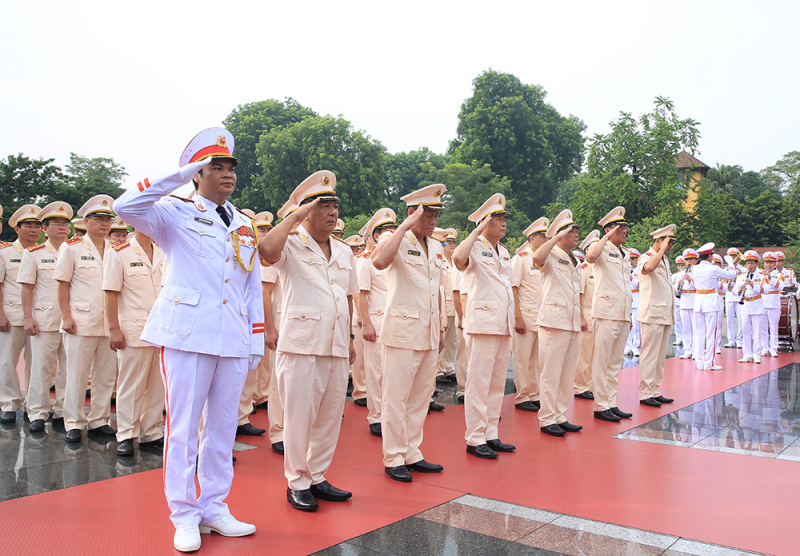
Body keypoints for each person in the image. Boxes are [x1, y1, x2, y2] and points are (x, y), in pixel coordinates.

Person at [114, 128, 263, 551]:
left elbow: (250, 286)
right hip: (187, 334)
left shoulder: (244, 224)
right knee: (181, 430)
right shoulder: (173, 213)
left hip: (232, 337)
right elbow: (126, 205)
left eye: (231, 166)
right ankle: (183, 513)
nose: (228, 173)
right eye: (217, 166)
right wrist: (179, 176)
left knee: (220, 430)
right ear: (197, 172)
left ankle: (215, 506)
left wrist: (255, 340)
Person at [259, 170, 358, 511]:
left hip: (335, 344)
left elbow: (346, 297)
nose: (333, 212)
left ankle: (317, 475)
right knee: (299, 418)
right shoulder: (290, 242)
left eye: (335, 206)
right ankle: (297, 481)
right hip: (301, 344)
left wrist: (350, 338)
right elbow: (266, 252)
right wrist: (293, 217)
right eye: (325, 206)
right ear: (306, 211)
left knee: (330, 416)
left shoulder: (345, 252)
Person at [370, 185, 446, 478]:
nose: (433, 220)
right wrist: (404, 227)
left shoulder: (436, 246)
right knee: (396, 397)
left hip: (427, 331)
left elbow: (435, 290)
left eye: (437, 214)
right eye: (428, 214)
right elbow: (378, 262)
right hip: (402, 331)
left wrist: (440, 327)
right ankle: (393, 458)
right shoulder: (394, 237)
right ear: (413, 213)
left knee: (420, 397)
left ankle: (412, 451)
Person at [453, 193, 516, 458]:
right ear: (484, 222)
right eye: (497, 219)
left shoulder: (503, 251)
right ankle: (474, 437)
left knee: (496, 383)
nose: (503, 223)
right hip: (482, 323)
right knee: (478, 383)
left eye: (504, 219)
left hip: (503, 323)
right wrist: (477, 229)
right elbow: (458, 258)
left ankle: (491, 433)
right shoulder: (475, 246)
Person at [55, 196, 119, 443]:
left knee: (105, 374)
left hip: (108, 323)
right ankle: (73, 421)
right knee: (77, 374)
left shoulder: (115, 249)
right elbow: (63, 285)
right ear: (86, 221)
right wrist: (66, 316)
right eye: (100, 219)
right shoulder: (71, 248)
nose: (105, 224)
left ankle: (99, 420)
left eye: (108, 220)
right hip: (80, 321)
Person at [103, 227, 166, 457]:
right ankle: (127, 434)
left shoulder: (163, 252)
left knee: (158, 385)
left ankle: (151, 432)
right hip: (133, 329)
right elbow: (110, 293)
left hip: (161, 329)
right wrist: (113, 328)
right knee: (131, 385)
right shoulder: (120, 252)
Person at [18, 202, 72, 432]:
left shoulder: (75, 250)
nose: (61, 228)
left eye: (64, 224)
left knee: (68, 368)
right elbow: (27, 288)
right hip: (45, 319)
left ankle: (62, 410)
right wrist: (28, 317)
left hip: (73, 320)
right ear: (45, 228)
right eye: (56, 224)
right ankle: (37, 412)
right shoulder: (34, 254)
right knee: (41, 367)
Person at [531, 209, 584, 437]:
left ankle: (559, 415)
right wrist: (554, 237)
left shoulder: (574, 258)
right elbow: (536, 258)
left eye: (575, 231)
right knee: (551, 372)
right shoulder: (550, 254)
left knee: (566, 373)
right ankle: (546, 418)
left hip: (570, 322)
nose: (576, 235)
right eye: (571, 231)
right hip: (554, 322)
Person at [585, 207, 632, 423]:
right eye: (619, 227)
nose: (624, 231)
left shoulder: (627, 253)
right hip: (605, 313)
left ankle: (611, 402)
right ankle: (600, 405)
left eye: (624, 227)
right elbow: (591, 256)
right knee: (601, 362)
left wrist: (629, 316)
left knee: (615, 363)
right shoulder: (601, 248)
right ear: (607, 230)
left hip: (622, 314)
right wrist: (605, 237)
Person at [0, 204, 40, 424]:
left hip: (38, 317)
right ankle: (8, 403)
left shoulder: (45, 253)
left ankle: (32, 404)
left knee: (37, 363)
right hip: (12, 316)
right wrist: (1, 315)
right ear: (17, 229)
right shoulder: (5, 253)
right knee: (7, 361)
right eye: (28, 226)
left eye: (37, 226)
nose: (33, 231)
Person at [511, 217, 549, 412]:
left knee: (537, 359)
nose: (546, 240)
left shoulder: (544, 261)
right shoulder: (521, 259)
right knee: (522, 358)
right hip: (525, 315)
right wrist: (517, 316)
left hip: (541, 316)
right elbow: (514, 289)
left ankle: (534, 394)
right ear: (532, 238)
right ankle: (522, 395)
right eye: (543, 236)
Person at [637, 225, 676, 407]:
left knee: (660, 356)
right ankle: (645, 392)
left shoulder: (665, 260)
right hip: (652, 313)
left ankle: (654, 389)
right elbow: (649, 268)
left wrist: (662, 253)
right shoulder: (645, 258)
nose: (670, 246)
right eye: (668, 242)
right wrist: (659, 251)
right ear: (658, 241)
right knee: (650, 354)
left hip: (664, 313)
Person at [690, 243, 735, 371]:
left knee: (699, 334)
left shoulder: (695, 268)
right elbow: (731, 274)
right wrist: (730, 263)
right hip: (710, 301)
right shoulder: (713, 269)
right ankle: (709, 362)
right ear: (710, 256)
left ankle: (699, 362)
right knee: (711, 334)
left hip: (698, 301)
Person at [574, 230, 600, 400]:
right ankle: (580, 387)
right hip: (587, 316)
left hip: (600, 317)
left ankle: (591, 385)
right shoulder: (584, 269)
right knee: (584, 355)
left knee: (596, 356)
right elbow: (579, 295)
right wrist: (581, 317)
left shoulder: (601, 269)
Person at [434, 227, 458, 385]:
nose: (451, 245)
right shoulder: (439, 259)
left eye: (453, 242)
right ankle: (437, 371)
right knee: (440, 339)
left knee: (453, 341)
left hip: (455, 307)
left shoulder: (456, 261)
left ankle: (448, 368)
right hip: (443, 306)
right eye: (448, 242)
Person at [734, 251, 765, 364]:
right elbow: (734, 290)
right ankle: (747, 354)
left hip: (756, 305)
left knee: (757, 333)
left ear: (756, 264)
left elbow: (765, 290)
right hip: (745, 306)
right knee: (745, 331)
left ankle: (756, 354)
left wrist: (753, 285)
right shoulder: (741, 276)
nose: (750, 266)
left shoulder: (762, 276)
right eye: (748, 263)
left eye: (752, 263)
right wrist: (739, 290)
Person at [676, 249, 698, 359]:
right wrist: (678, 286)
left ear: (696, 260)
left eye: (691, 260)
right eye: (687, 260)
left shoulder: (698, 273)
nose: (689, 262)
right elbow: (675, 289)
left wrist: (690, 281)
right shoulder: (680, 274)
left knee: (695, 327)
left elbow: (700, 287)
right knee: (686, 328)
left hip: (694, 301)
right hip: (684, 301)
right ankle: (687, 349)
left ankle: (696, 349)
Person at [760, 252, 781, 358]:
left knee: (773, 328)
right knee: (763, 328)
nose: (768, 265)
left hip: (774, 303)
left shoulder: (778, 274)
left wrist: (770, 278)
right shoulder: (760, 274)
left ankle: (773, 348)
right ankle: (765, 347)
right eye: (766, 262)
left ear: (774, 264)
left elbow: (780, 287)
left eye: (771, 263)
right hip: (763, 302)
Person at [723, 248, 744, 348]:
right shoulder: (726, 269)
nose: (733, 258)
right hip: (729, 295)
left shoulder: (743, 269)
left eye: (735, 256)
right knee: (729, 320)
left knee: (741, 319)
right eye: (731, 256)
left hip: (739, 296)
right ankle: (731, 340)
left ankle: (740, 340)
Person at [624, 248, 641, 357]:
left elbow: (641, 284)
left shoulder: (640, 271)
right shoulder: (623, 270)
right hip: (626, 300)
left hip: (637, 300)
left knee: (636, 326)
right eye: (629, 259)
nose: (630, 261)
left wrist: (631, 278)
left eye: (633, 259)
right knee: (626, 326)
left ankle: (636, 346)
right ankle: (627, 346)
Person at [672, 255, 685, 346]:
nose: (680, 267)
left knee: (685, 320)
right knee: (677, 320)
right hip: (676, 300)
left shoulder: (686, 274)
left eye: (682, 265)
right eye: (679, 265)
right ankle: (679, 337)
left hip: (684, 300)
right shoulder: (674, 275)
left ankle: (685, 338)